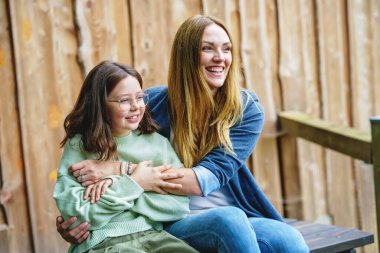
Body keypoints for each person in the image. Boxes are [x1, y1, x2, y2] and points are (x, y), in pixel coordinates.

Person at [56, 15, 309, 253]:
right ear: (186, 56)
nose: (220, 57)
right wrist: (70, 223)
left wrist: (118, 170)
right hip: (172, 220)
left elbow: (205, 180)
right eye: (208, 48)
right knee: (229, 221)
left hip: (231, 210)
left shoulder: (244, 110)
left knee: (289, 240)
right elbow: (90, 138)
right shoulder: (151, 104)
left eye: (226, 48)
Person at [53, 61, 199, 253]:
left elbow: (179, 205)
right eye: (123, 100)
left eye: (140, 97)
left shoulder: (157, 144)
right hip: (102, 242)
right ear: (100, 104)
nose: (136, 107)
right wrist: (136, 183)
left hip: (153, 237)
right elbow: (75, 214)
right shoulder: (79, 146)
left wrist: (116, 184)